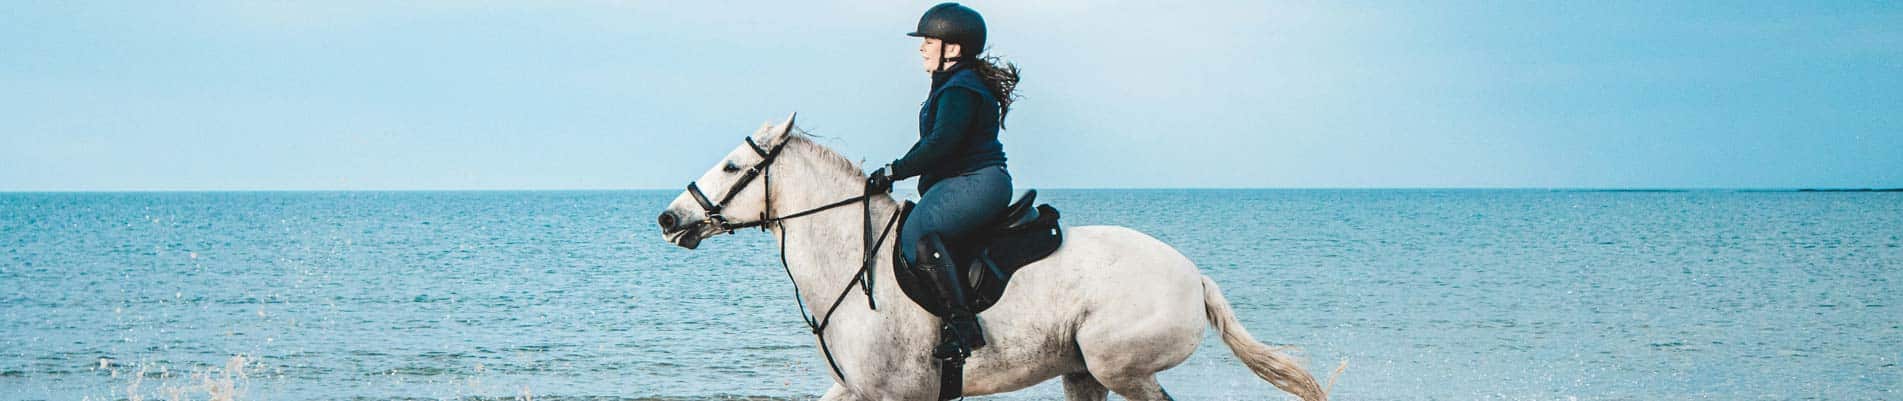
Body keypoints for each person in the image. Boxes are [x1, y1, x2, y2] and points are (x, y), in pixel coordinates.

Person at [865, 2, 1020, 351]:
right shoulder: (953, 84)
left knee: (915, 234)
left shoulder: (959, 89)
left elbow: (941, 144)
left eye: (929, 41)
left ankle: (963, 329)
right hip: (968, 181)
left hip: (977, 181)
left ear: (953, 48)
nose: (921, 47)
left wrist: (893, 171)